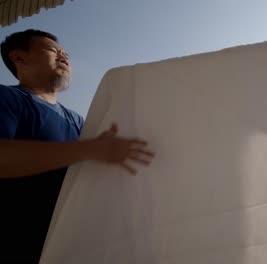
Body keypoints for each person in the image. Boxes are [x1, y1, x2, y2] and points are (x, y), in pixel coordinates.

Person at [0, 29, 154, 263]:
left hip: (70, 245)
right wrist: (91, 149)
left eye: (65, 53)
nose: (64, 57)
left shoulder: (76, 119)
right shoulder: (8, 99)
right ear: (19, 58)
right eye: (53, 50)